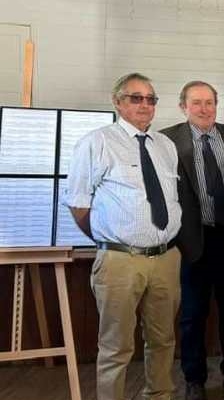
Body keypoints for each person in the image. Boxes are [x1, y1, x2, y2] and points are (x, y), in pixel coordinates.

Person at [62, 72, 182, 400]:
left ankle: (159, 395)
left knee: (163, 340)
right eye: (136, 98)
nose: (145, 104)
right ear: (117, 102)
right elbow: (78, 203)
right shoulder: (97, 142)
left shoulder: (166, 146)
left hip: (166, 258)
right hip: (119, 260)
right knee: (116, 346)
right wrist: (110, 240)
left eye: (150, 99)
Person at [160, 81, 224, 399]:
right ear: (183, 106)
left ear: (217, 104)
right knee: (192, 315)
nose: (204, 109)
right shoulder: (165, 141)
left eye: (209, 102)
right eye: (196, 103)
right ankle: (194, 379)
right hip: (192, 240)